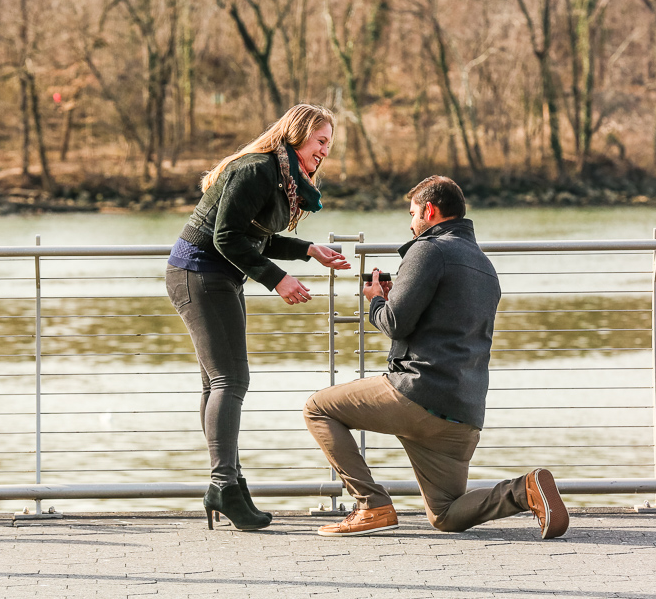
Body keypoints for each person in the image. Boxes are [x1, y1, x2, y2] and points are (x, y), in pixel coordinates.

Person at [303, 175, 568, 539]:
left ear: (429, 210)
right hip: (464, 412)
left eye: (413, 213)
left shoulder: (427, 250)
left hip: (418, 393)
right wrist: (399, 295)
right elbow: (444, 319)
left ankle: (371, 504)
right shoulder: (484, 266)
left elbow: (395, 323)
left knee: (318, 408)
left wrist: (377, 300)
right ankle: (523, 490)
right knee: (445, 514)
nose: (411, 223)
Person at [166, 104, 351, 531]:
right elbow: (226, 236)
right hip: (198, 273)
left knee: (217, 382)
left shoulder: (279, 175)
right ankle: (223, 485)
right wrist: (279, 280)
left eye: (329, 145)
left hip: (213, 275)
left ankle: (229, 483)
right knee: (231, 380)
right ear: (298, 134)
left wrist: (308, 250)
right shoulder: (256, 170)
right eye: (321, 141)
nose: (325, 151)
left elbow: (255, 238)